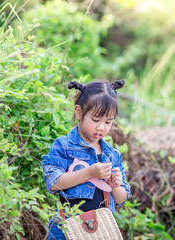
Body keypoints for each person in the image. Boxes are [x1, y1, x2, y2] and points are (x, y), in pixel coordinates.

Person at [42, 80, 131, 239]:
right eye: (95, 120)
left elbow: (120, 199)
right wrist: (90, 172)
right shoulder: (64, 146)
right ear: (79, 112)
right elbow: (53, 182)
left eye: (108, 122)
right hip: (65, 227)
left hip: (100, 230)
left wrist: (115, 186)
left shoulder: (112, 154)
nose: (101, 127)